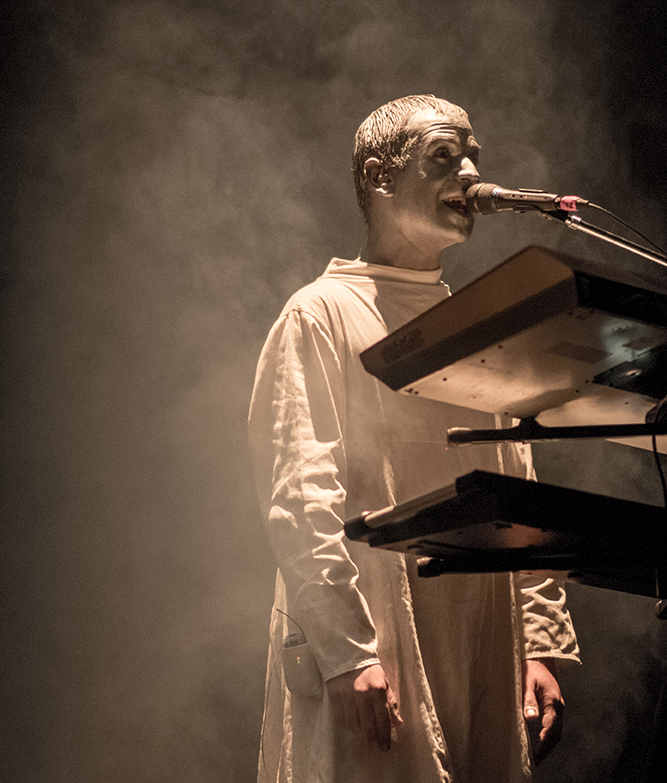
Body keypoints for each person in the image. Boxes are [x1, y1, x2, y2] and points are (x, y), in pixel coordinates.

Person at [249, 95, 579, 783]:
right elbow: (301, 498)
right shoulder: (319, 313)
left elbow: (519, 491)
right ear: (379, 176)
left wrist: (540, 641)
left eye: (473, 158)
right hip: (374, 641)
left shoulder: (475, 325)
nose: (470, 174)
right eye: (444, 156)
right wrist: (345, 652)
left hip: (479, 638)